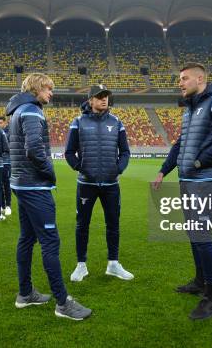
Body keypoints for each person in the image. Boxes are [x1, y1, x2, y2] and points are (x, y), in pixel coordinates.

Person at [6, 73, 92, 321]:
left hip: (22, 184)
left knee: (26, 239)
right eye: (48, 89)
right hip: (34, 186)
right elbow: (33, 149)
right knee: (50, 242)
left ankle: (25, 294)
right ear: (36, 88)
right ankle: (63, 303)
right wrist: (50, 172)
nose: (51, 93)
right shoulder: (31, 110)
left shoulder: (18, 110)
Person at [153, 63, 212, 321]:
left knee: (202, 234)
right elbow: (180, 144)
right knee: (194, 233)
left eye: (184, 78)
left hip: (205, 180)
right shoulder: (190, 108)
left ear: (200, 79)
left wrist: (199, 162)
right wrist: (163, 171)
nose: (180, 82)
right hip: (187, 180)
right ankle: (200, 281)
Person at [64, 84, 133, 282]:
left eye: (106, 96)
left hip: (111, 185)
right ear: (90, 100)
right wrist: (80, 167)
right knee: (82, 225)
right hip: (86, 183)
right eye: (100, 96)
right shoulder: (78, 122)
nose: (104, 99)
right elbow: (69, 152)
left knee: (113, 224)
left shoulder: (117, 122)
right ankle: (81, 265)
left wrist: (119, 168)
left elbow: (125, 152)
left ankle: (113, 264)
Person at [0, 116, 12, 216]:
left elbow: (9, 147)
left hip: (6, 161)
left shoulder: (9, 133)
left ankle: (8, 206)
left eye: (0, 123)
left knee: (6, 184)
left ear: (5, 123)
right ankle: (1, 205)